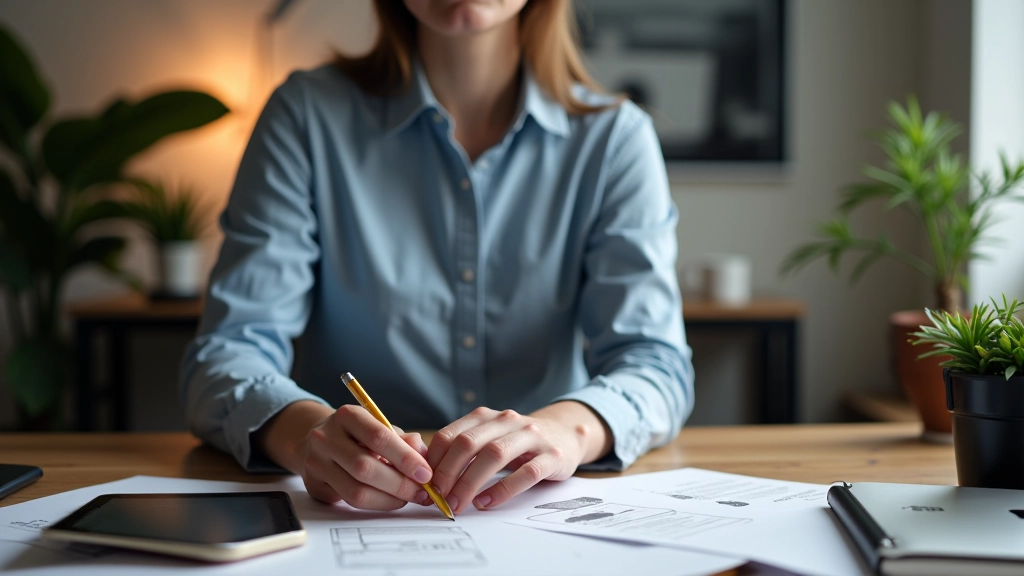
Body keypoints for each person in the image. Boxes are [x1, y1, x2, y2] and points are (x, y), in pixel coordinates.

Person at [180, 0, 693, 516]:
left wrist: (568, 432)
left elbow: (656, 365)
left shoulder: (615, 139)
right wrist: (306, 435)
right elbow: (226, 355)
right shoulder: (304, 116)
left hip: (538, 511)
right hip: (349, 515)